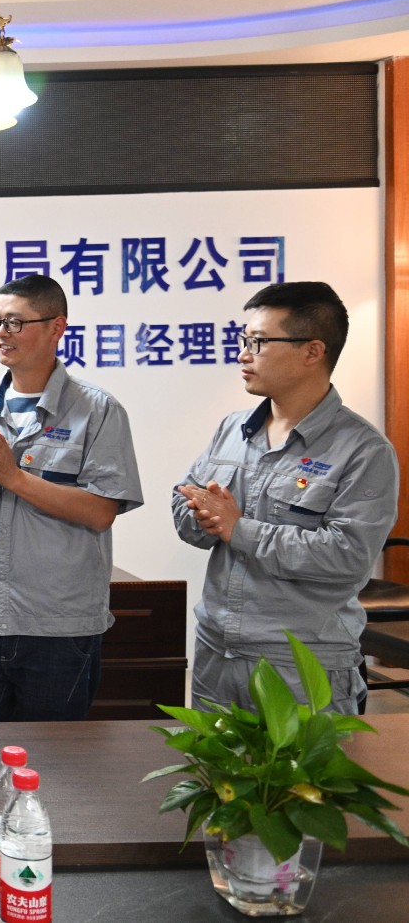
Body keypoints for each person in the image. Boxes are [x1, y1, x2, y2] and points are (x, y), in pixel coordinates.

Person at [173, 281, 398, 714]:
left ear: (312, 351)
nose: (243, 354)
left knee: (304, 765)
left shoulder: (363, 450)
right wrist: (201, 515)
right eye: (243, 340)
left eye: (258, 342)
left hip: (300, 665)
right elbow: (185, 499)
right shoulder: (233, 428)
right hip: (217, 653)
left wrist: (239, 529)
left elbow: (348, 555)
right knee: (212, 762)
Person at [0, 274, 143, 722]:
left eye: (15, 322)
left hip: (60, 625)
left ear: (57, 327)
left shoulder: (98, 409)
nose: (1, 333)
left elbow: (101, 511)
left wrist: (14, 478)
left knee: (53, 756)